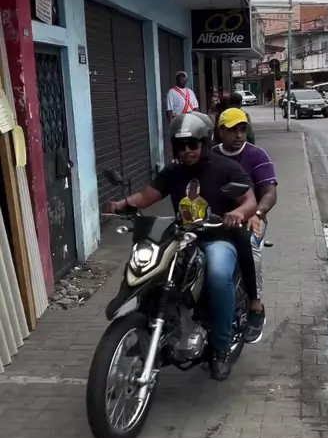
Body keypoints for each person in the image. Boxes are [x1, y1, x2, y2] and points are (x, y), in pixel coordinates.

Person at [103, 112, 262, 381]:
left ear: (204, 142)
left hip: (218, 237)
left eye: (192, 144)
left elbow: (250, 200)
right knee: (154, 271)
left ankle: (221, 348)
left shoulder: (226, 168)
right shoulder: (174, 172)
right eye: (181, 146)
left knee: (218, 275)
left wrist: (238, 213)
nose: (187, 151)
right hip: (183, 237)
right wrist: (122, 204)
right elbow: (147, 196)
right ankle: (158, 327)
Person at [213, 107, 277, 333]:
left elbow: (270, 193)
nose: (239, 135)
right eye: (233, 130)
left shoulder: (257, 155)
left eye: (242, 129)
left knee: (250, 246)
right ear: (221, 131)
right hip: (215, 219)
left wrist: (257, 214)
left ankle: (256, 306)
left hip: (251, 218)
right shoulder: (211, 155)